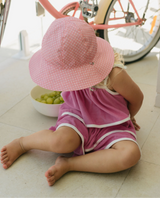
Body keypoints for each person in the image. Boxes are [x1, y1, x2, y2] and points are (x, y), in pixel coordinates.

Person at [0, 17, 143, 186]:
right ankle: (23, 143)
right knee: (60, 142)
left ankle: (70, 164)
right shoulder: (66, 71)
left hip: (112, 125)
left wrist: (128, 117)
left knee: (131, 155)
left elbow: (137, 98)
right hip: (77, 115)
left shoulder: (115, 76)